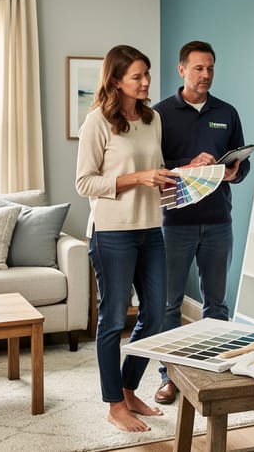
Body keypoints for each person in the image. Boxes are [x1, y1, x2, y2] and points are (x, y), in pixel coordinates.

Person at [75, 45, 179, 432]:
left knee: (154, 315)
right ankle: (114, 404)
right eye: (136, 76)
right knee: (113, 318)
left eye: (147, 74)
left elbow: (157, 169)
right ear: (116, 80)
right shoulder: (97, 122)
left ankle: (129, 387)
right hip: (112, 234)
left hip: (151, 228)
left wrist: (183, 173)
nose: (146, 81)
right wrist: (138, 178)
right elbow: (84, 182)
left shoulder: (152, 119)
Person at [151, 40, 251, 404]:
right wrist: (188, 167)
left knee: (217, 305)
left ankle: (212, 372)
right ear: (181, 69)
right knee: (168, 305)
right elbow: (154, 169)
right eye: (198, 68)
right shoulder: (160, 114)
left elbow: (242, 165)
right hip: (174, 223)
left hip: (218, 222)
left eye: (210, 68)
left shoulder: (227, 112)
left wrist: (231, 173)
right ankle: (169, 377)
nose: (205, 74)